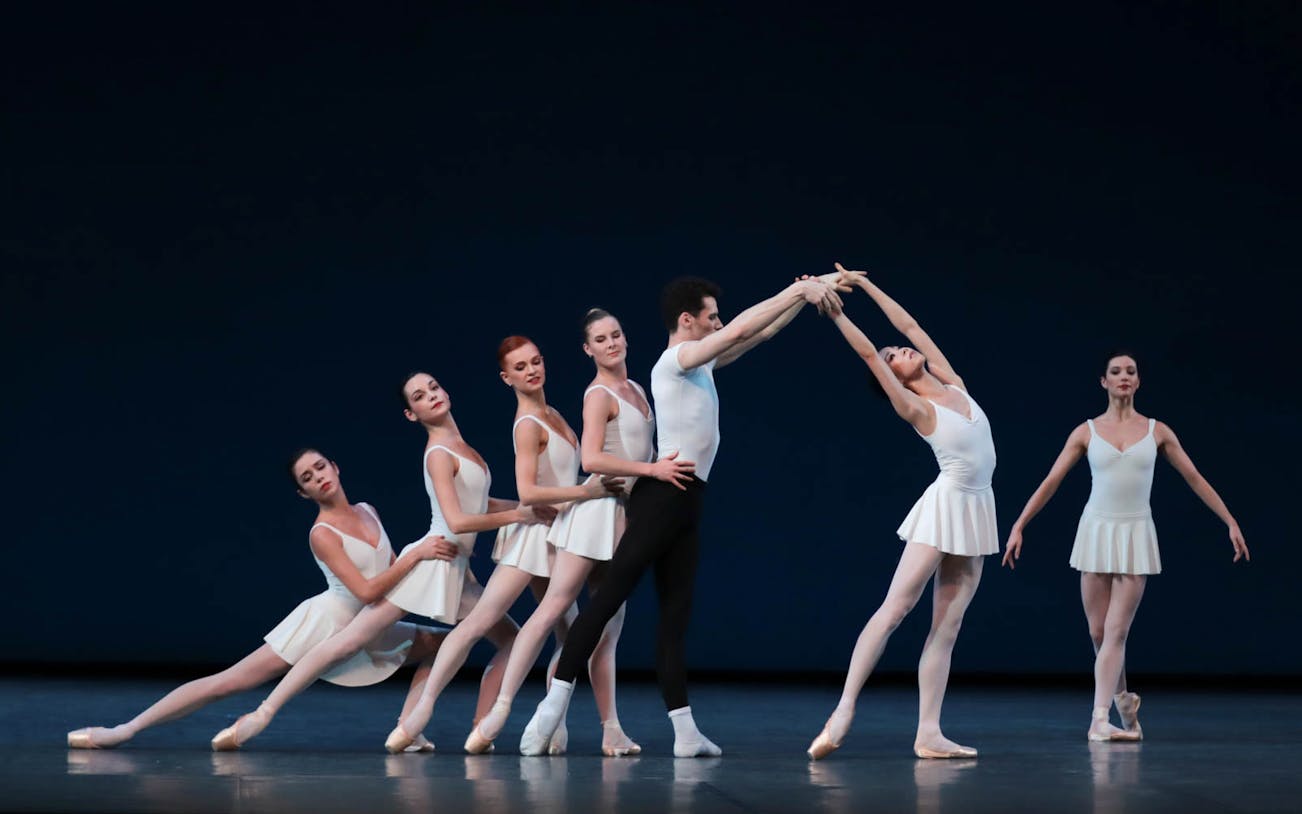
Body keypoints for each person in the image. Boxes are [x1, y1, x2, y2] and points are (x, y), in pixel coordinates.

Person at [520, 273, 843, 757]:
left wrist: (811, 287)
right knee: (606, 601)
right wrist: (798, 291)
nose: (720, 323)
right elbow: (735, 332)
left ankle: (685, 733)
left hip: (689, 500)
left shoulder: (700, 366)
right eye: (711, 316)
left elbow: (760, 332)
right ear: (688, 321)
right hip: (661, 497)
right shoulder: (674, 360)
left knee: (675, 617)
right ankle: (551, 706)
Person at [209, 376, 552, 750]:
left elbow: (480, 506)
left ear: (447, 391)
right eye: (420, 396)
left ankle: (469, 729)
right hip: (431, 561)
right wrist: (521, 517)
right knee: (350, 640)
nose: (432, 397)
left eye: (434, 388)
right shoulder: (438, 452)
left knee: (509, 638)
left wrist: (528, 508)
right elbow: (457, 522)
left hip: (454, 566)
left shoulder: (461, 448)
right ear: (411, 413)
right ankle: (261, 715)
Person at [67, 449, 456, 751]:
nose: (318, 477)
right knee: (229, 682)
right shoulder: (321, 533)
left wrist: (417, 565)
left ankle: (410, 729)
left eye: (320, 467)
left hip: (371, 626)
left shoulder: (368, 510)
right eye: (308, 477)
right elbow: (368, 591)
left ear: (335, 467)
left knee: (443, 644)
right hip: (327, 623)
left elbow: (389, 579)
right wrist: (416, 555)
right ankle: (123, 730)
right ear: (303, 492)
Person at [465, 310, 695, 756]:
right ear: (588, 350)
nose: (612, 343)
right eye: (601, 339)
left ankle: (611, 728)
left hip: (624, 517)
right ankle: (502, 708)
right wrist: (650, 469)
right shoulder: (597, 394)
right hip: (593, 512)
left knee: (606, 629)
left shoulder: (638, 390)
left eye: (616, 334)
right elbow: (591, 459)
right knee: (553, 608)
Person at [382, 340, 621, 753]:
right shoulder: (527, 423)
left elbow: (521, 492)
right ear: (506, 377)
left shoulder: (555, 416)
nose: (531, 371)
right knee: (480, 621)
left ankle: (550, 726)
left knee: (569, 637)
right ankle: (422, 711)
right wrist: (577, 496)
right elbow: (531, 492)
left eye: (535, 362)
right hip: (533, 534)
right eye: (520, 367)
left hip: (558, 531)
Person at [1002, 351, 1249, 741]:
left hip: (1135, 533)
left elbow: (1195, 477)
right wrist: (1019, 524)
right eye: (1115, 372)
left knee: (1116, 632)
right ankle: (1123, 702)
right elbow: (1051, 480)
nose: (1123, 377)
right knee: (1099, 633)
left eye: (1130, 372)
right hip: (1096, 532)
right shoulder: (1085, 432)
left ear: (1138, 381)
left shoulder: (1157, 431)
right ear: (1103, 381)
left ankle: (1099, 720)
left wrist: (1229, 520)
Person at [808, 263, 996, 761]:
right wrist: (837, 314)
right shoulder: (914, 408)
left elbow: (910, 327)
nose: (900, 350)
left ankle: (928, 733)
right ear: (895, 377)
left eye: (900, 350)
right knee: (896, 609)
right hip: (945, 507)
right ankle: (844, 708)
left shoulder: (954, 383)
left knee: (948, 627)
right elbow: (871, 353)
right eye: (895, 357)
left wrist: (867, 285)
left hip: (978, 509)